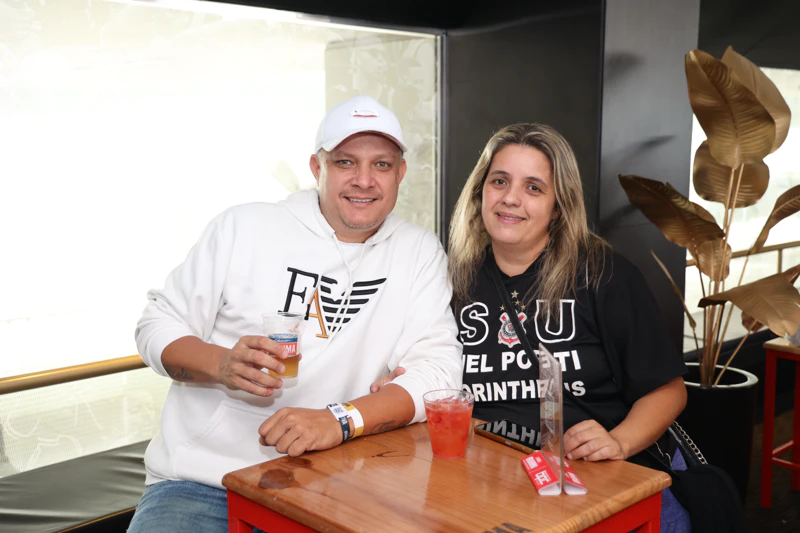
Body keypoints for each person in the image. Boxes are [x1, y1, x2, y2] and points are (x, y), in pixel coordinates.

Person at [128, 95, 462, 533]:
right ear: (317, 167)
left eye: (381, 165)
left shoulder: (417, 251)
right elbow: (156, 325)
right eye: (345, 162)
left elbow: (439, 374)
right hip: (205, 482)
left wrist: (340, 420)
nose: (364, 180)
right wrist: (222, 364)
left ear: (400, 173)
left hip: (336, 479)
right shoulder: (244, 227)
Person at [375, 123, 691, 531]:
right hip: (491, 480)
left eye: (534, 188)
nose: (511, 198)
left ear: (558, 207)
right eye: (499, 181)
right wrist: (406, 381)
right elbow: (433, 373)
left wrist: (620, 441)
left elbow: (668, 389)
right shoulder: (452, 280)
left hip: (602, 476)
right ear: (480, 192)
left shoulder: (602, 274)